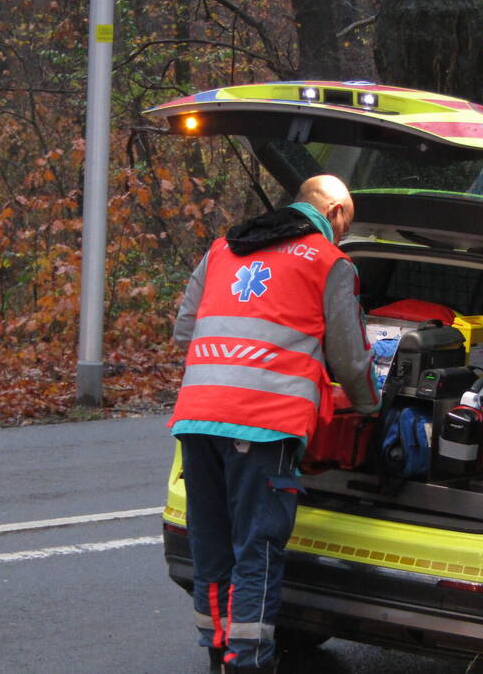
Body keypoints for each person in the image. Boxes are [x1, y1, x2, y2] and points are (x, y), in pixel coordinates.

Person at [170, 175, 380, 673]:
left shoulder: (224, 248)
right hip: (263, 427)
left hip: (198, 417)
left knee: (211, 543)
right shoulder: (331, 262)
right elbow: (350, 360)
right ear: (334, 215)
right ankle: (250, 661)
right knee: (257, 548)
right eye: (346, 222)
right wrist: (371, 409)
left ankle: (219, 651)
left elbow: (185, 330)